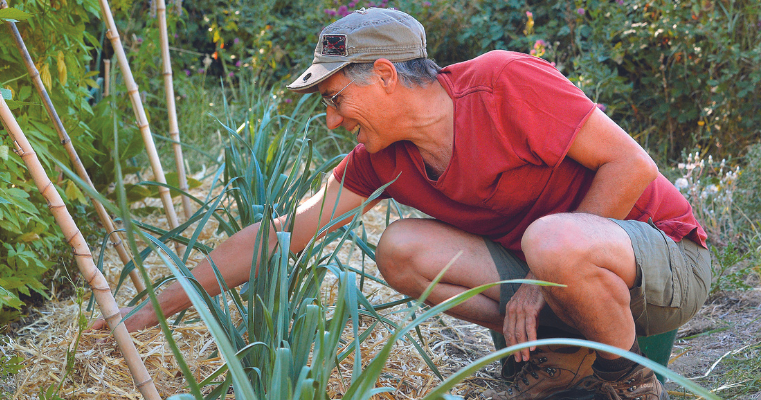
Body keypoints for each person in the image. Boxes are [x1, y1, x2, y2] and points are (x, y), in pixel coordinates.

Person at [93, 8, 711, 400]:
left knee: (549, 240)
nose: (333, 122)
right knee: (401, 248)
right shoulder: (381, 158)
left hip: (661, 264)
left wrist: (539, 281)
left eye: (336, 99)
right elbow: (281, 233)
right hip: (565, 277)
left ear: (385, 75)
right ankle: (561, 359)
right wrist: (152, 308)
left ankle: (629, 383)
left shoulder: (504, 83)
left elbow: (631, 164)